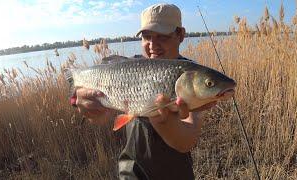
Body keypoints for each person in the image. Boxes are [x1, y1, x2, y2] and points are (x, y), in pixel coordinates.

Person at [71, 3, 217, 180]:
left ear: (181, 35)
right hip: (131, 171)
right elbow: (96, 110)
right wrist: (82, 103)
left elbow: (187, 141)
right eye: (147, 36)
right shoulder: (129, 67)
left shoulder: (193, 76)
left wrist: (163, 122)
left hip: (176, 173)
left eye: (162, 36)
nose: (153, 45)